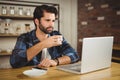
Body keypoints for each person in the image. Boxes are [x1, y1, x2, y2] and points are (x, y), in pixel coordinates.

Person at [10, 5, 79, 68]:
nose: (51, 24)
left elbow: (74, 55)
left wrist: (56, 61)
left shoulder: (56, 35)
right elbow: (15, 62)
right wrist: (43, 44)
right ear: (37, 22)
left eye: (53, 21)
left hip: (53, 76)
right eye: (47, 20)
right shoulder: (24, 38)